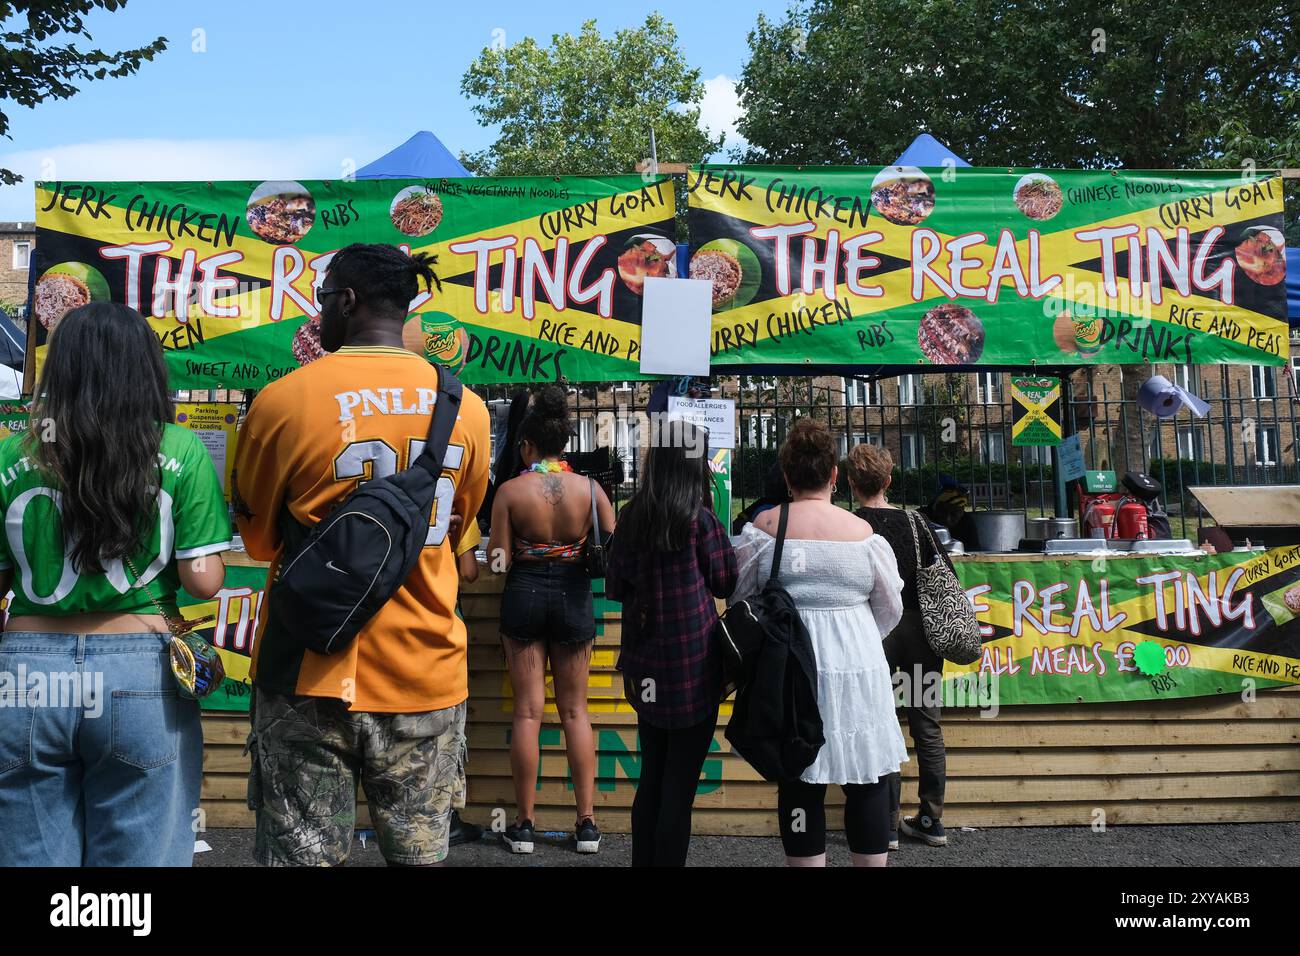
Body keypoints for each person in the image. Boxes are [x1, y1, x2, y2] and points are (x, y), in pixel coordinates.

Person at [233, 243, 490, 867]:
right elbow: (458, 537)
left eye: (322, 298)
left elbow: (260, 541)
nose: (319, 312)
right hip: (425, 673)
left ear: (346, 301)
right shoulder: (469, 409)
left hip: (307, 673)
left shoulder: (281, 402)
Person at [0, 302, 230, 867]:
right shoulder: (178, 449)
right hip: (139, 673)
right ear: (144, 369)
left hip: (26, 673)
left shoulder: (12, 452)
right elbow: (203, 582)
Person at [730, 419, 905, 867]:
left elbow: (741, 599)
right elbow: (890, 608)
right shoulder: (865, 535)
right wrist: (856, 632)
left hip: (788, 667)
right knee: (866, 778)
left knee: (797, 777)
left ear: (787, 476)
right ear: (833, 476)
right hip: (858, 663)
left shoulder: (763, 530)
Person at [487, 385, 615, 854]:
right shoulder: (591, 489)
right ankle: (587, 824)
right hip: (574, 596)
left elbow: (498, 558)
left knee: (527, 711)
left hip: (523, 595)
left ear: (526, 446)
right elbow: (613, 546)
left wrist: (518, 551)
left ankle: (523, 826)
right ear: (565, 442)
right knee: (576, 711)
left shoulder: (510, 491)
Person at [606, 419, 736, 867]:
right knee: (679, 790)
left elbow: (615, 585)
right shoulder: (701, 522)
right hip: (695, 670)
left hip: (646, 668)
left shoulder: (630, 517)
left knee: (652, 778)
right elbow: (725, 581)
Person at [846, 443, 951, 848]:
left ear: (852, 484)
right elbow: (943, 573)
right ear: (889, 480)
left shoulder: (850, 526)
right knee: (927, 724)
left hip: (876, 635)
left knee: (881, 723)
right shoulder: (915, 522)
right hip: (921, 635)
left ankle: (886, 824)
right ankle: (931, 818)